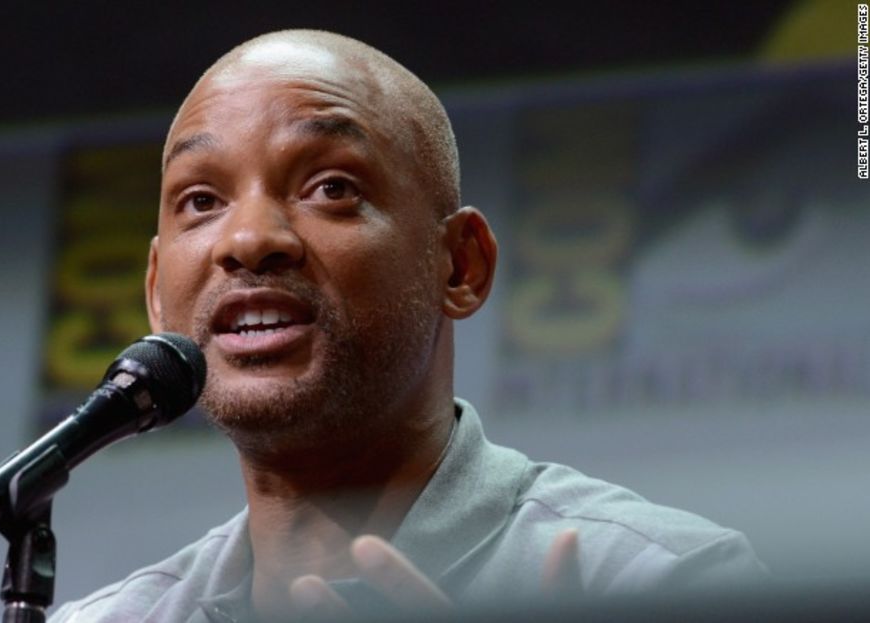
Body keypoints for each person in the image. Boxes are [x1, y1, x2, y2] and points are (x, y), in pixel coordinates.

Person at [50, 29, 767, 622]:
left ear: (460, 265)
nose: (248, 238)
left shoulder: (667, 585)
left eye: (331, 188)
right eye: (201, 199)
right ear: (155, 291)